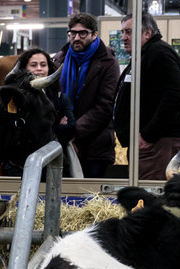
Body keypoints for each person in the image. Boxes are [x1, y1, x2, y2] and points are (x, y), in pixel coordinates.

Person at [114, 13, 180, 181]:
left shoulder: (159, 52)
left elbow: (176, 96)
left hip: (159, 143)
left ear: (147, 33)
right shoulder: (145, 54)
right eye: (122, 32)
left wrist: (147, 135)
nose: (123, 37)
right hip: (152, 143)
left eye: (128, 32)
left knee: (149, 197)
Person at [53, 13, 120, 178]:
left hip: (95, 148)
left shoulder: (108, 63)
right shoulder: (59, 60)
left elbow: (104, 107)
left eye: (83, 33)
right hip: (62, 144)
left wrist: (72, 132)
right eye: (72, 33)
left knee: (90, 197)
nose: (76, 38)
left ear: (94, 34)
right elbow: (54, 99)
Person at [2, 48, 77, 176]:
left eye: (43, 65)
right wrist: (55, 127)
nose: (39, 69)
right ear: (24, 69)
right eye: (33, 65)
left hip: (52, 165)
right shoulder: (13, 98)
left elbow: (71, 128)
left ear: (49, 68)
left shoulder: (60, 98)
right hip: (18, 166)